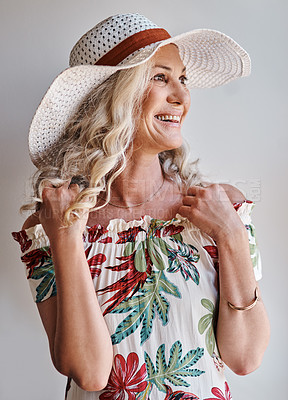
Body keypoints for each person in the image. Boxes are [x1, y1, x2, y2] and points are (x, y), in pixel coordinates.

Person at [12, 13, 270, 400]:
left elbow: (245, 357)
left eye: (182, 79)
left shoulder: (220, 211)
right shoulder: (52, 223)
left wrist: (231, 234)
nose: (182, 97)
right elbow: (90, 373)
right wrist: (65, 238)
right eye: (160, 77)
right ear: (114, 96)